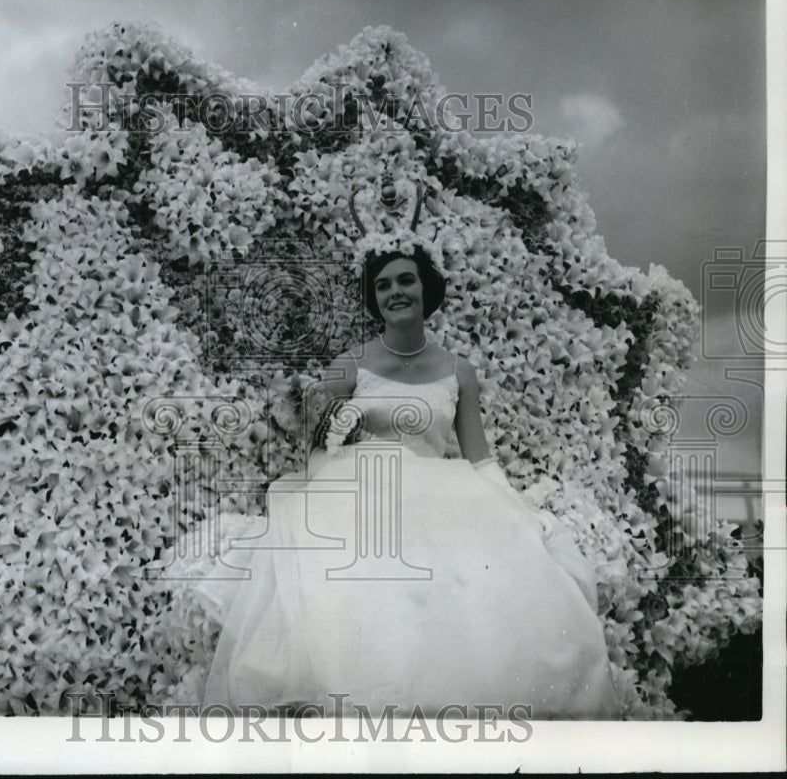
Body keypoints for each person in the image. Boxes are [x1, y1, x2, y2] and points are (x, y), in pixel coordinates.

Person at [190, 238, 621, 720]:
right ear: (374, 299)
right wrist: (331, 470)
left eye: (405, 280)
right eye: (383, 285)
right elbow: (312, 440)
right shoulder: (352, 364)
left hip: (439, 491)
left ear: (425, 289)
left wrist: (514, 512)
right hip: (361, 488)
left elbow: (478, 456)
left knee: (489, 585)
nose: (395, 291)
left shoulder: (458, 371)